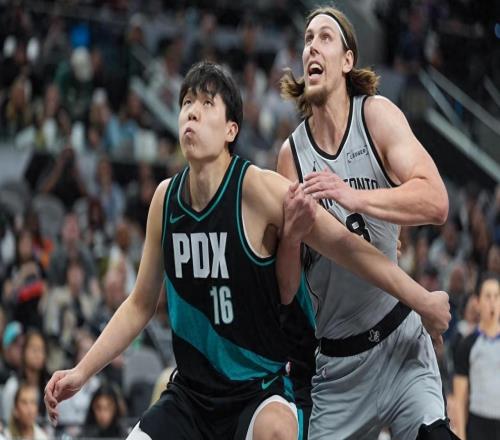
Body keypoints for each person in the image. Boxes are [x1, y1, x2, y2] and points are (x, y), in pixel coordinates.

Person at [45, 61, 450, 440]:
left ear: (231, 130)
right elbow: (139, 304)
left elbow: (349, 248)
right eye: (187, 103)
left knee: (277, 432)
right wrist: (81, 372)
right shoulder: (165, 200)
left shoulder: (260, 190)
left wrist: (422, 300)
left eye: (207, 104)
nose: (192, 113)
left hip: (260, 390)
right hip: (191, 396)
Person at [277, 6, 456, 439]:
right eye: (307, 39)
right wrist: (291, 239)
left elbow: (436, 202)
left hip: (401, 345)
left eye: (325, 37)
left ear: (347, 60)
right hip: (339, 369)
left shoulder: (376, 115)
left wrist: (354, 196)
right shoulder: (292, 157)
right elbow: (288, 287)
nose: (311, 47)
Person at [453, 274, 500, 439]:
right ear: (478, 303)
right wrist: (461, 435)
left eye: (496, 296)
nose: (492, 302)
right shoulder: (467, 344)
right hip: (478, 426)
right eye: (487, 296)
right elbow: (459, 399)